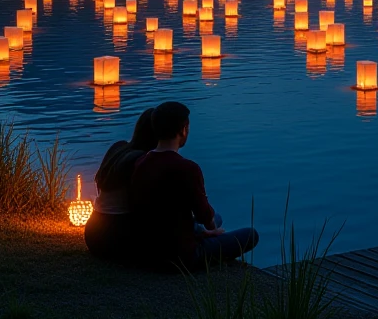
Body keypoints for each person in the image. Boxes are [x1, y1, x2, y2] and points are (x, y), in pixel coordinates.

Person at [130, 101, 259, 269]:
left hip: (146, 251)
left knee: (215, 217)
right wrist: (210, 230)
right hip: (182, 256)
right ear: (183, 130)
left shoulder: (141, 162)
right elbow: (207, 218)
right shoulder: (188, 168)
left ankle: (199, 233)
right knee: (250, 234)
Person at [83, 108, 156, 261]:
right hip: (116, 236)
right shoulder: (142, 160)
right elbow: (140, 206)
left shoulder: (119, 148)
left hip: (92, 232)